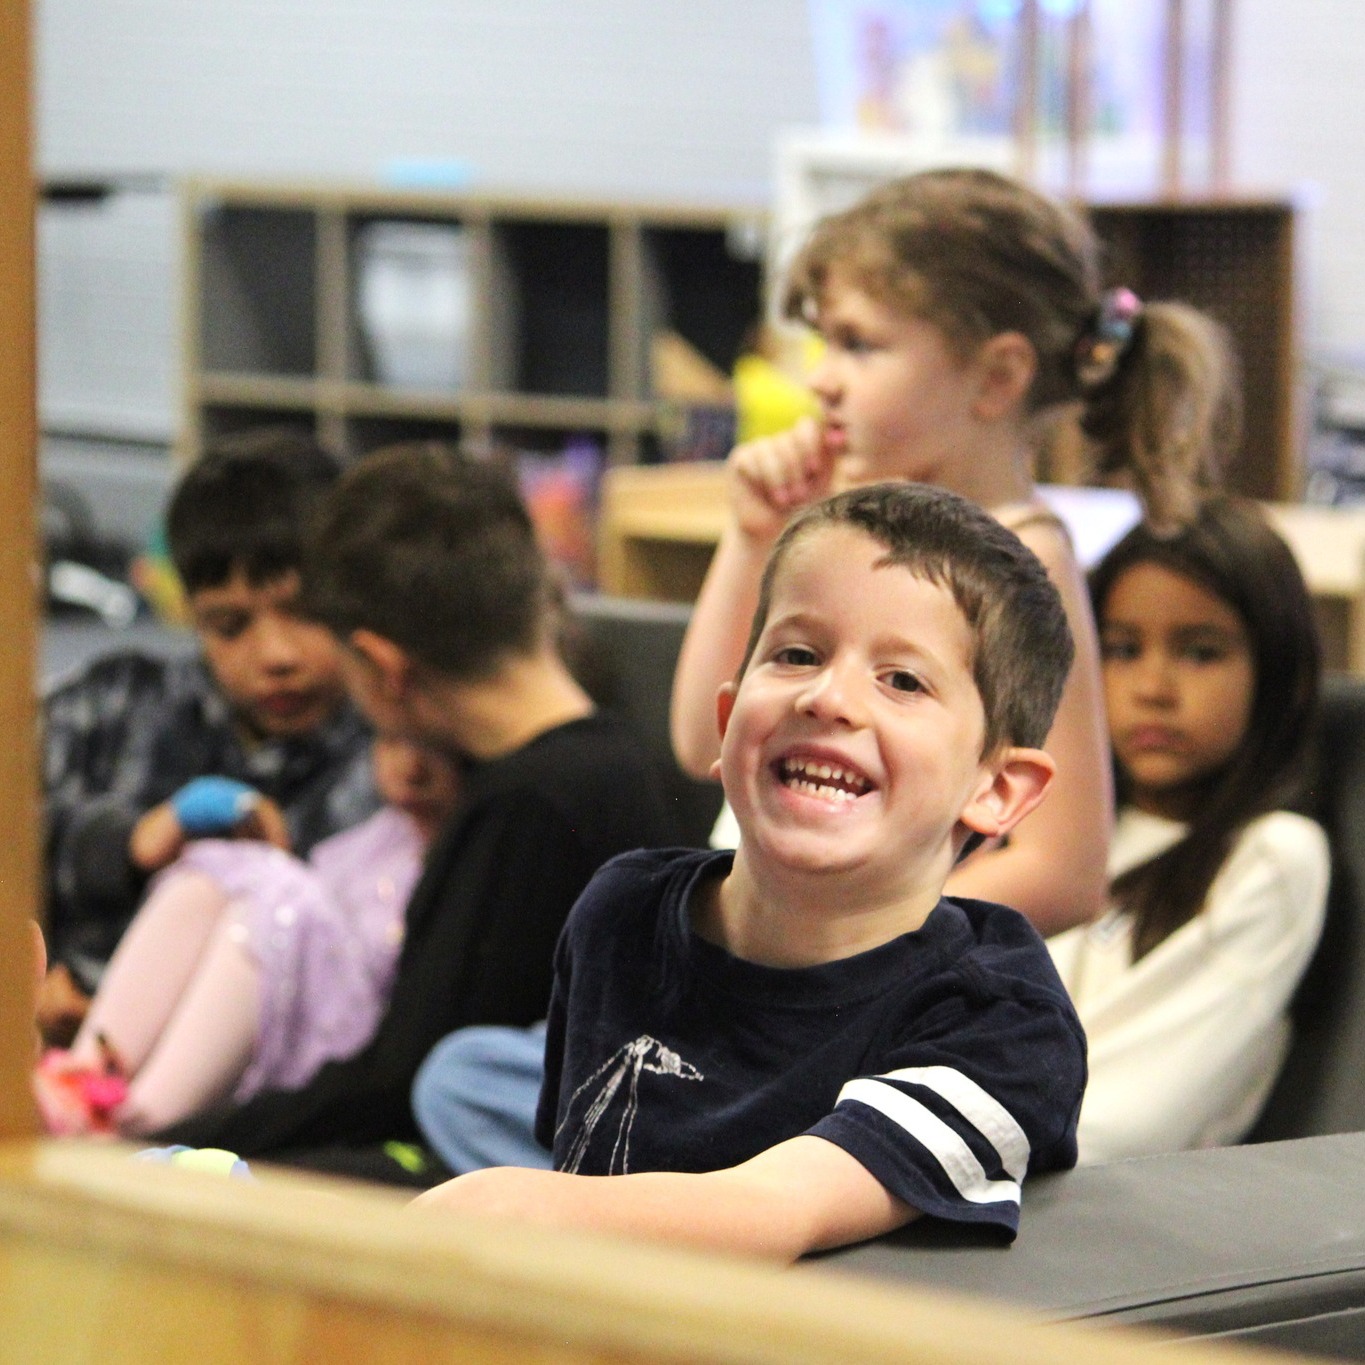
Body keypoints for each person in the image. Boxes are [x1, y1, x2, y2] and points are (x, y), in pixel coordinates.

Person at [411, 482, 1086, 1260]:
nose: (828, 697)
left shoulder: (1002, 1018)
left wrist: (499, 1205)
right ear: (728, 720)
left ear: (996, 790)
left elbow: (774, 1208)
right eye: (797, 654)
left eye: (903, 679)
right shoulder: (620, 910)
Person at [671, 166, 1242, 937]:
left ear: (997, 375)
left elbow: (1064, 871)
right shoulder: (832, 531)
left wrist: (844, 942)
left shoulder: (1024, 563)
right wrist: (752, 537)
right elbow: (703, 742)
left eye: (858, 345)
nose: (821, 379)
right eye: (823, 342)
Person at [153, 443, 679, 1166]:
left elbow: (396, 1082)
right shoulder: (615, 763)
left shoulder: (522, 810)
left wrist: (178, 1142)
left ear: (383, 668)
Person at [39, 431, 378, 1042]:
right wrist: (123, 847)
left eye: (308, 614)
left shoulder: (395, 761)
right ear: (191, 615)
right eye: (230, 625)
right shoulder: (110, 706)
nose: (276, 655)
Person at [1048, 497, 1329, 1163]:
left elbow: (1124, 1121)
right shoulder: (1062, 834)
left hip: (1088, 1201)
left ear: (1277, 675)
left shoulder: (1270, 858)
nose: (1152, 687)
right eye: (1122, 649)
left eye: (1200, 653)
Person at [35, 736, 459, 1137]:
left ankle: (131, 1126)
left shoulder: (460, 852)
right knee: (225, 870)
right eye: (393, 740)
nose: (411, 768)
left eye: (433, 747)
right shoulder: (371, 838)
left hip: (344, 1064)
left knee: (279, 894)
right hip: (265, 1021)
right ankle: (78, 1084)